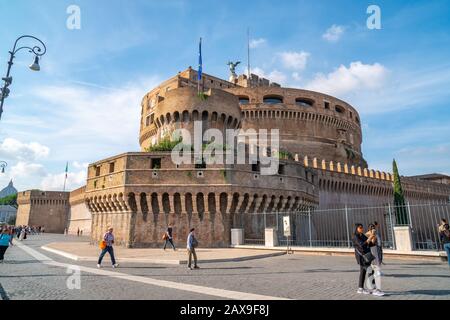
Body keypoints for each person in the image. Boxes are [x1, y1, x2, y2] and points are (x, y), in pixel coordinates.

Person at [353, 223, 375, 295]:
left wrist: (373, 238)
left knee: (363, 272)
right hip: (361, 257)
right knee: (370, 271)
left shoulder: (362, 235)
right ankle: (374, 289)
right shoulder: (355, 237)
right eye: (360, 227)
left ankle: (360, 288)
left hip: (365, 256)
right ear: (356, 228)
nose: (362, 228)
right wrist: (369, 238)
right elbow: (362, 245)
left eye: (362, 227)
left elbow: (370, 244)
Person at [365, 223, 385, 296]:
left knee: (375, 271)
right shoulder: (367, 234)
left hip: (376, 252)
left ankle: (375, 288)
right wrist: (372, 235)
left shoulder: (376, 234)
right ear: (368, 228)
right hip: (370, 253)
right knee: (371, 271)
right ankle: (372, 288)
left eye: (373, 227)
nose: (373, 228)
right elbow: (369, 243)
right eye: (371, 227)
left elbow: (379, 244)